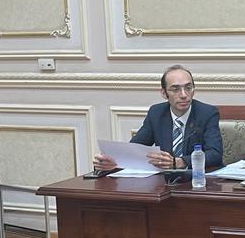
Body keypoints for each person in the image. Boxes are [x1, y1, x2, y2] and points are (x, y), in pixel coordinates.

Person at [93, 65, 222, 171]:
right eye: (175, 89)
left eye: (188, 88)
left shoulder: (207, 113)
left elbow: (215, 154)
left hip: (197, 179)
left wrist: (179, 162)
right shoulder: (156, 113)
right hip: (164, 183)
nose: (184, 95)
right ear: (164, 93)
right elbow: (136, 148)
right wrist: (114, 163)